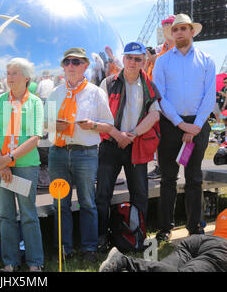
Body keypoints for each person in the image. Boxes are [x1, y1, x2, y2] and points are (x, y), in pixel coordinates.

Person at [44, 48, 114, 262]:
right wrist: (54, 125)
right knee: (60, 203)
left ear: (85, 66)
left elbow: (109, 126)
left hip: (85, 153)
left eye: (76, 62)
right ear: (63, 67)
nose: (71, 66)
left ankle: (89, 249)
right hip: (58, 152)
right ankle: (63, 249)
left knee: (87, 202)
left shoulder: (95, 92)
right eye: (67, 62)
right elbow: (43, 123)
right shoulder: (55, 93)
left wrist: (93, 125)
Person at [153, 14, 216, 242]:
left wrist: (196, 126)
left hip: (198, 125)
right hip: (171, 124)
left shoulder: (207, 59)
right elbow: (160, 97)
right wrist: (180, 124)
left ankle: (195, 228)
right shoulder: (162, 61)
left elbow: (209, 97)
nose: (178, 32)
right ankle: (165, 228)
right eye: (175, 29)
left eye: (183, 28)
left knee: (194, 177)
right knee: (168, 178)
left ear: (191, 31)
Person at [96, 42, 161, 252]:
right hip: (110, 144)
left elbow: (155, 114)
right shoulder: (108, 82)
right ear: (123, 59)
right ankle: (101, 238)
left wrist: (132, 135)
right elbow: (99, 114)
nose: (133, 62)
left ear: (144, 61)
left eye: (138, 59)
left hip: (136, 145)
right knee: (102, 194)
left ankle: (137, 236)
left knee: (139, 194)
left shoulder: (148, 84)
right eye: (129, 58)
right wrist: (117, 134)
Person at [0, 57, 44, 272]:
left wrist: (8, 159)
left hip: (25, 164)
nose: (9, 77)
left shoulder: (35, 102)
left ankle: (35, 263)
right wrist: (2, 164)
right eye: (8, 73)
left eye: (14, 73)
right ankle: (10, 262)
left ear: (27, 78)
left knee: (28, 213)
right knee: (6, 214)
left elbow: (34, 137)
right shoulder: (0, 101)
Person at [99, 209, 227, 272]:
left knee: (162, 268)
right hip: (221, 249)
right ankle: (124, 261)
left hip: (197, 241)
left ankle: (121, 265)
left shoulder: (223, 212)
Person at [146, 15, 176, 180]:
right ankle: (160, 166)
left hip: (173, 97)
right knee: (159, 133)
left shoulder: (180, 49)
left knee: (174, 134)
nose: (168, 30)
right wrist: (150, 60)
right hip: (156, 96)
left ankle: (172, 167)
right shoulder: (159, 48)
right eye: (165, 27)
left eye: (170, 26)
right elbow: (147, 69)